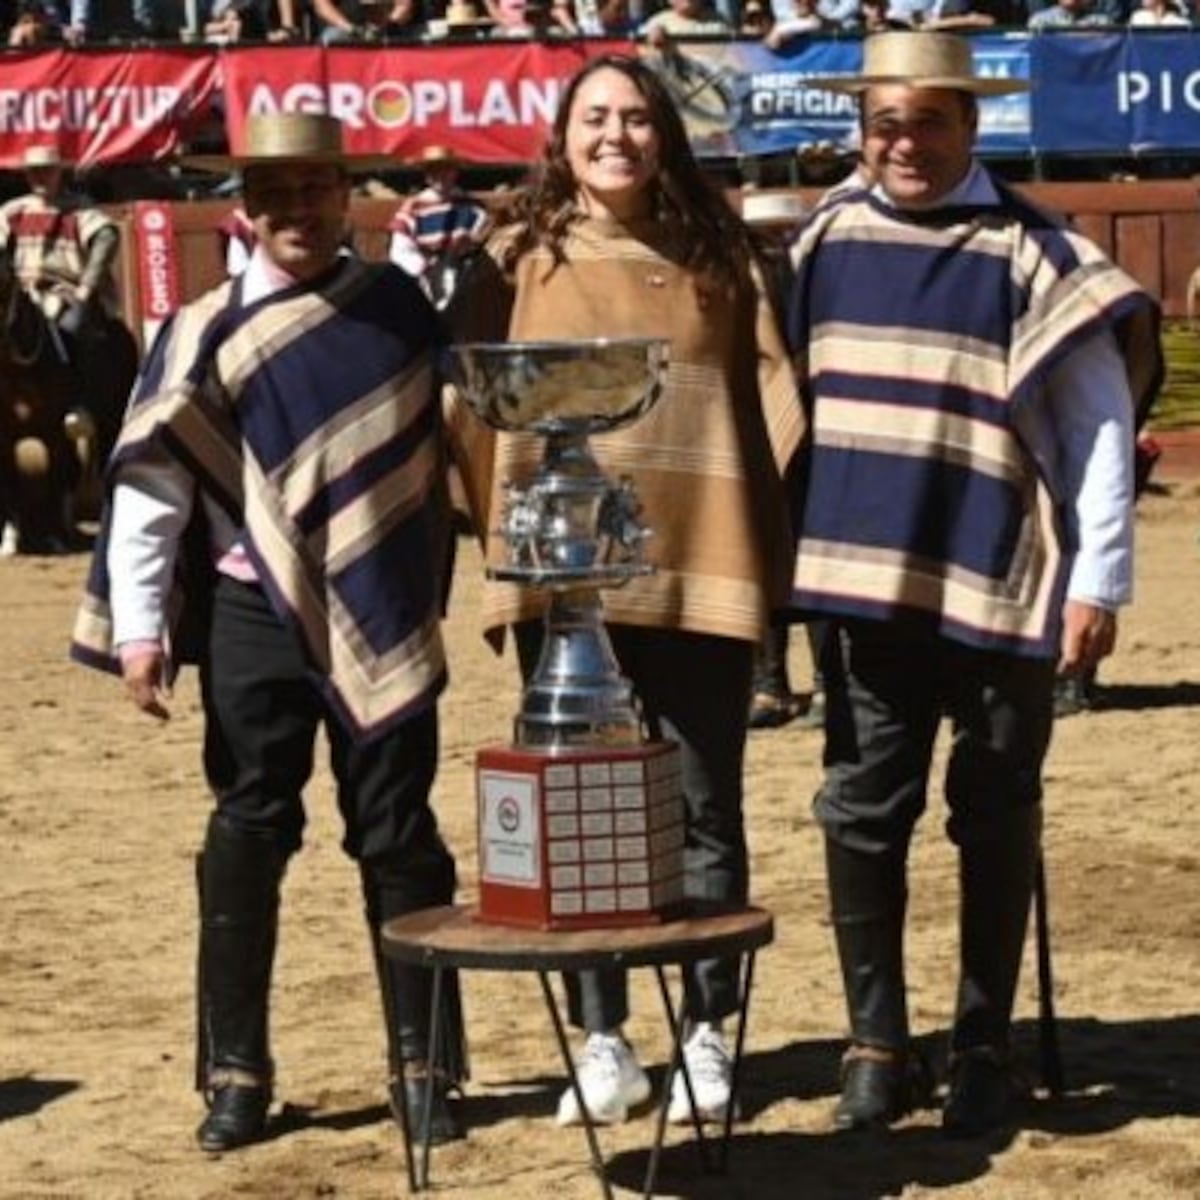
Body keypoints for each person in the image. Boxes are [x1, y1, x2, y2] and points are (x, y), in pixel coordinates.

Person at [787, 31, 1161, 1137]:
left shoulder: (1036, 253)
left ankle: (985, 1043)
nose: (905, 142)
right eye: (885, 122)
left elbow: (1097, 429)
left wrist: (1099, 581)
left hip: (1005, 577)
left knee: (995, 811)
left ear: (971, 122)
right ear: (862, 129)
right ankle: (877, 1042)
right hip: (859, 577)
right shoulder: (821, 241)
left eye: (928, 120)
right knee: (862, 811)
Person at [70, 112, 467, 1154]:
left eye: (315, 188)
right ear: (245, 207)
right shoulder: (200, 328)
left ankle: (427, 1065)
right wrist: (142, 626)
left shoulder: (398, 310)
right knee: (249, 826)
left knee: (399, 834)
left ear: (346, 195)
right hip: (251, 612)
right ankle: (234, 1074)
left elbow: (452, 447)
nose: (296, 209)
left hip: (381, 602)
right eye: (276, 191)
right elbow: (154, 486)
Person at [449, 53, 803, 1130]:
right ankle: (602, 1040)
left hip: (698, 559)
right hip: (567, 594)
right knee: (572, 820)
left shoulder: (723, 254)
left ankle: (706, 1032)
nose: (617, 136)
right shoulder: (511, 254)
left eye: (638, 118)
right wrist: (509, 537)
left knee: (705, 808)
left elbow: (769, 399)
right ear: (561, 134)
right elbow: (464, 408)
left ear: (668, 135)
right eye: (596, 117)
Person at [0, 143, 132, 469]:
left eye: (47, 171)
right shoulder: (12, 211)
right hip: (22, 292)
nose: (40, 178)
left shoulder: (80, 209)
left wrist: (87, 285)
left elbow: (106, 237)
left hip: (66, 290)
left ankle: (79, 401)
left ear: (60, 173)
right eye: (34, 172)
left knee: (69, 325)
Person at [388, 145, 489, 311]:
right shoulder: (413, 209)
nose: (440, 176)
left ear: (455, 172)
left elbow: (486, 245)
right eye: (433, 171)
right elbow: (399, 251)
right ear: (426, 176)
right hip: (426, 285)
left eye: (446, 170)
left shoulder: (473, 209)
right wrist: (426, 268)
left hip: (469, 285)